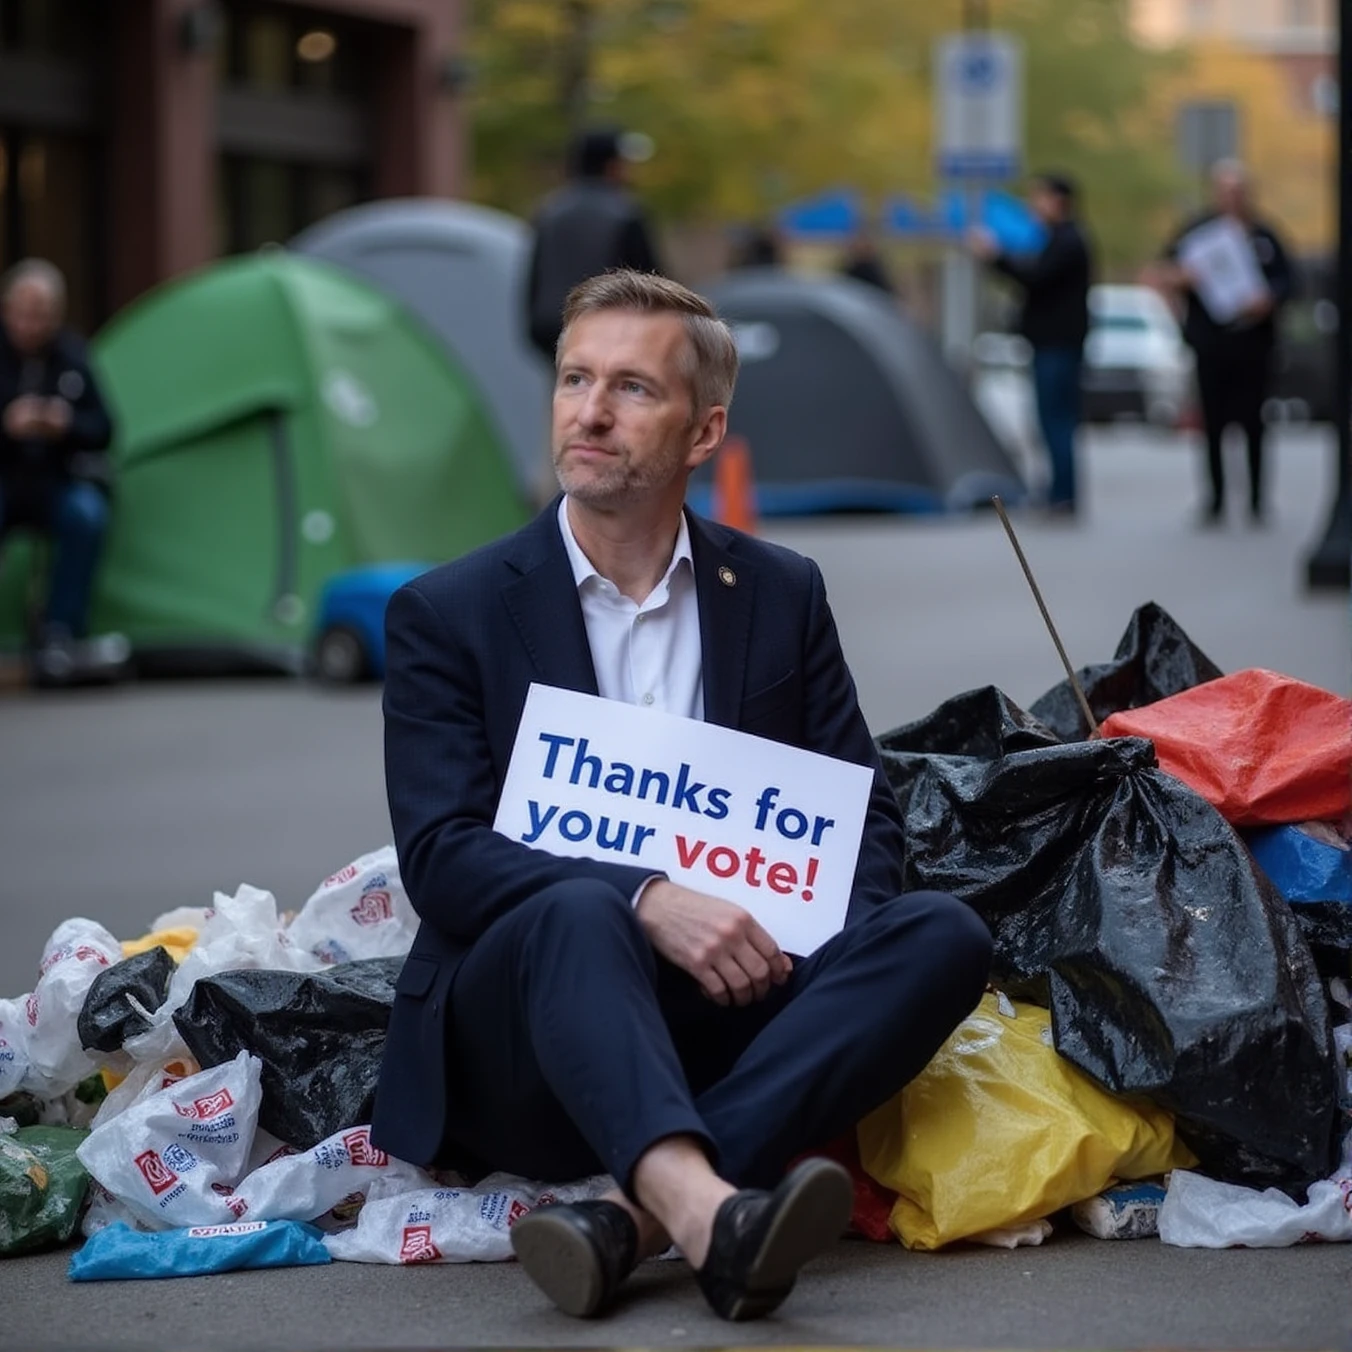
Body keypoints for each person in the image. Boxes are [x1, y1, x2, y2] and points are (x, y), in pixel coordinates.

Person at [372, 270, 992, 1321]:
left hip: (730, 1014)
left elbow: (859, 823)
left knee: (939, 931)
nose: (590, 411)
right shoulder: (449, 611)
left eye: (630, 388)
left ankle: (637, 1212)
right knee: (577, 903)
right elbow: (440, 855)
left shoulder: (780, 592)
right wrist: (647, 895)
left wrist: (788, 936)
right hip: (527, 1037)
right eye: (574, 379)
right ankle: (715, 1218)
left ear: (703, 433)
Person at [1152, 160, 1293, 525]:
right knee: (1212, 422)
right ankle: (1214, 498)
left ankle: (1258, 499)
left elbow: (1288, 282)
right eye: (1224, 191)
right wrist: (1183, 279)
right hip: (1211, 342)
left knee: (1254, 421)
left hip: (1253, 342)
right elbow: (1161, 274)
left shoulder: (1264, 234)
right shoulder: (1198, 232)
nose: (1231, 198)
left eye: (1238, 191)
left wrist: (1268, 300)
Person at [0, 259, 114, 682]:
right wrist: (7, 423)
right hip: (6, 478)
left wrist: (64, 425)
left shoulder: (73, 356)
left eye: (43, 313)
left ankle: (60, 631)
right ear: (7, 308)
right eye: (26, 311)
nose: (33, 322)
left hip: (55, 480)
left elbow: (105, 428)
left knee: (86, 514)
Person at [970, 173, 1093, 515]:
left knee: (1055, 420)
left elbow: (1035, 277)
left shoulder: (1067, 241)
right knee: (1052, 420)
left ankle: (1063, 495)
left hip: (1058, 344)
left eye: (1039, 197)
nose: (1033, 205)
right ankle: (1058, 491)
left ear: (1058, 200)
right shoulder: (1058, 239)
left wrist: (995, 256)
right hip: (1053, 342)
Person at [525, 128, 662, 361]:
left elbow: (534, 280)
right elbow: (650, 281)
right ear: (611, 165)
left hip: (553, 330)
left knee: (569, 388)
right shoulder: (624, 213)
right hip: (610, 329)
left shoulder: (549, 212)